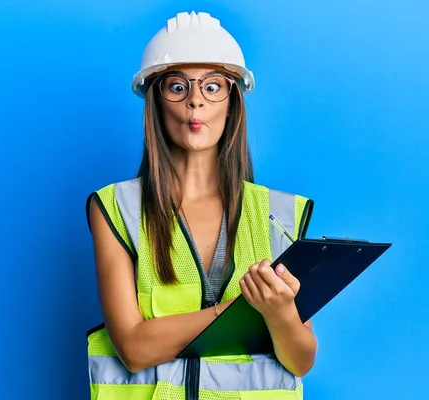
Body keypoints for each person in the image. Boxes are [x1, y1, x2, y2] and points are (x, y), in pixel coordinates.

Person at [85, 11, 318, 400]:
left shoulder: (280, 214)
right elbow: (133, 347)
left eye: (212, 87)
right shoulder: (115, 208)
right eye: (178, 86)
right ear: (155, 101)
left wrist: (280, 316)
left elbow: (300, 360)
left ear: (232, 102)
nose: (195, 100)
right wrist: (241, 310)